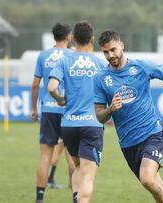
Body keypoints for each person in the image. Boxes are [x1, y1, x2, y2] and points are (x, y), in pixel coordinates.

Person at [94, 30, 163, 203]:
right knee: (155, 186)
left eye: (113, 50)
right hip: (127, 143)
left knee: (147, 178)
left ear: (122, 46)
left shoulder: (141, 67)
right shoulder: (101, 79)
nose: (110, 55)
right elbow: (100, 116)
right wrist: (111, 109)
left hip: (152, 133)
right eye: (106, 52)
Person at [48, 21, 106, 203]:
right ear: (92, 39)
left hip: (69, 125)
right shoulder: (99, 63)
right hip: (92, 124)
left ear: (73, 38)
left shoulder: (64, 60)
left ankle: (75, 198)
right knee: (88, 174)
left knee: (77, 166)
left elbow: (51, 87)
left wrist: (58, 99)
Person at [31, 22, 75, 203]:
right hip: (68, 110)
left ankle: (40, 198)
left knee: (45, 156)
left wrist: (33, 108)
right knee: (72, 156)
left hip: (48, 110)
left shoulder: (43, 55)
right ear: (68, 37)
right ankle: (77, 197)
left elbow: (35, 84)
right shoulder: (72, 55)